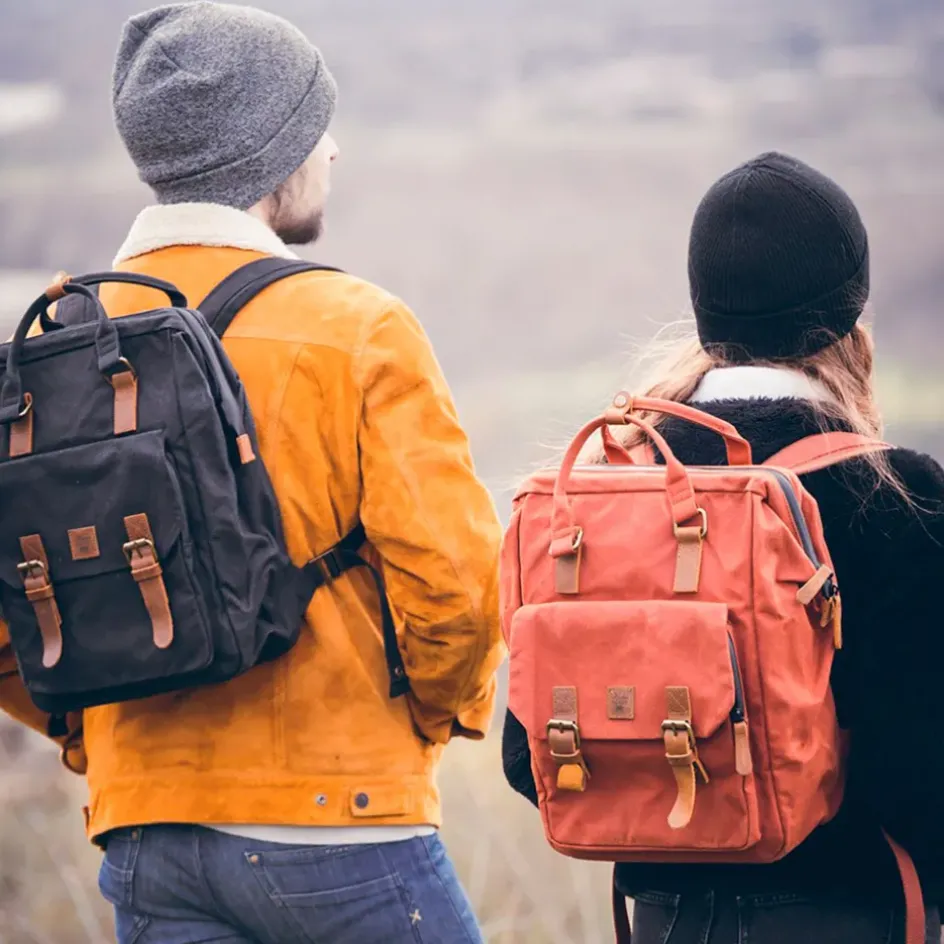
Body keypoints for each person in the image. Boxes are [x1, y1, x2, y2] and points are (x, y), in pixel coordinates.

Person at [0, 4, 504, 943]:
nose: (334, 152)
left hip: (146, 841)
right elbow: (457, 589)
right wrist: (429, 719)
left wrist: (97, 737)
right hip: (343, 819)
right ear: (272, 153)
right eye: (317, 129)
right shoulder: (360, 328)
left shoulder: (52, 349)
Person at [501, 151, 944, 944]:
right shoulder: (896, 495)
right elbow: (923, 769)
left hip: (663, 921)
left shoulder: (612, 490)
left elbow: (525, 756)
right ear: (850, 317)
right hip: (848, 915)